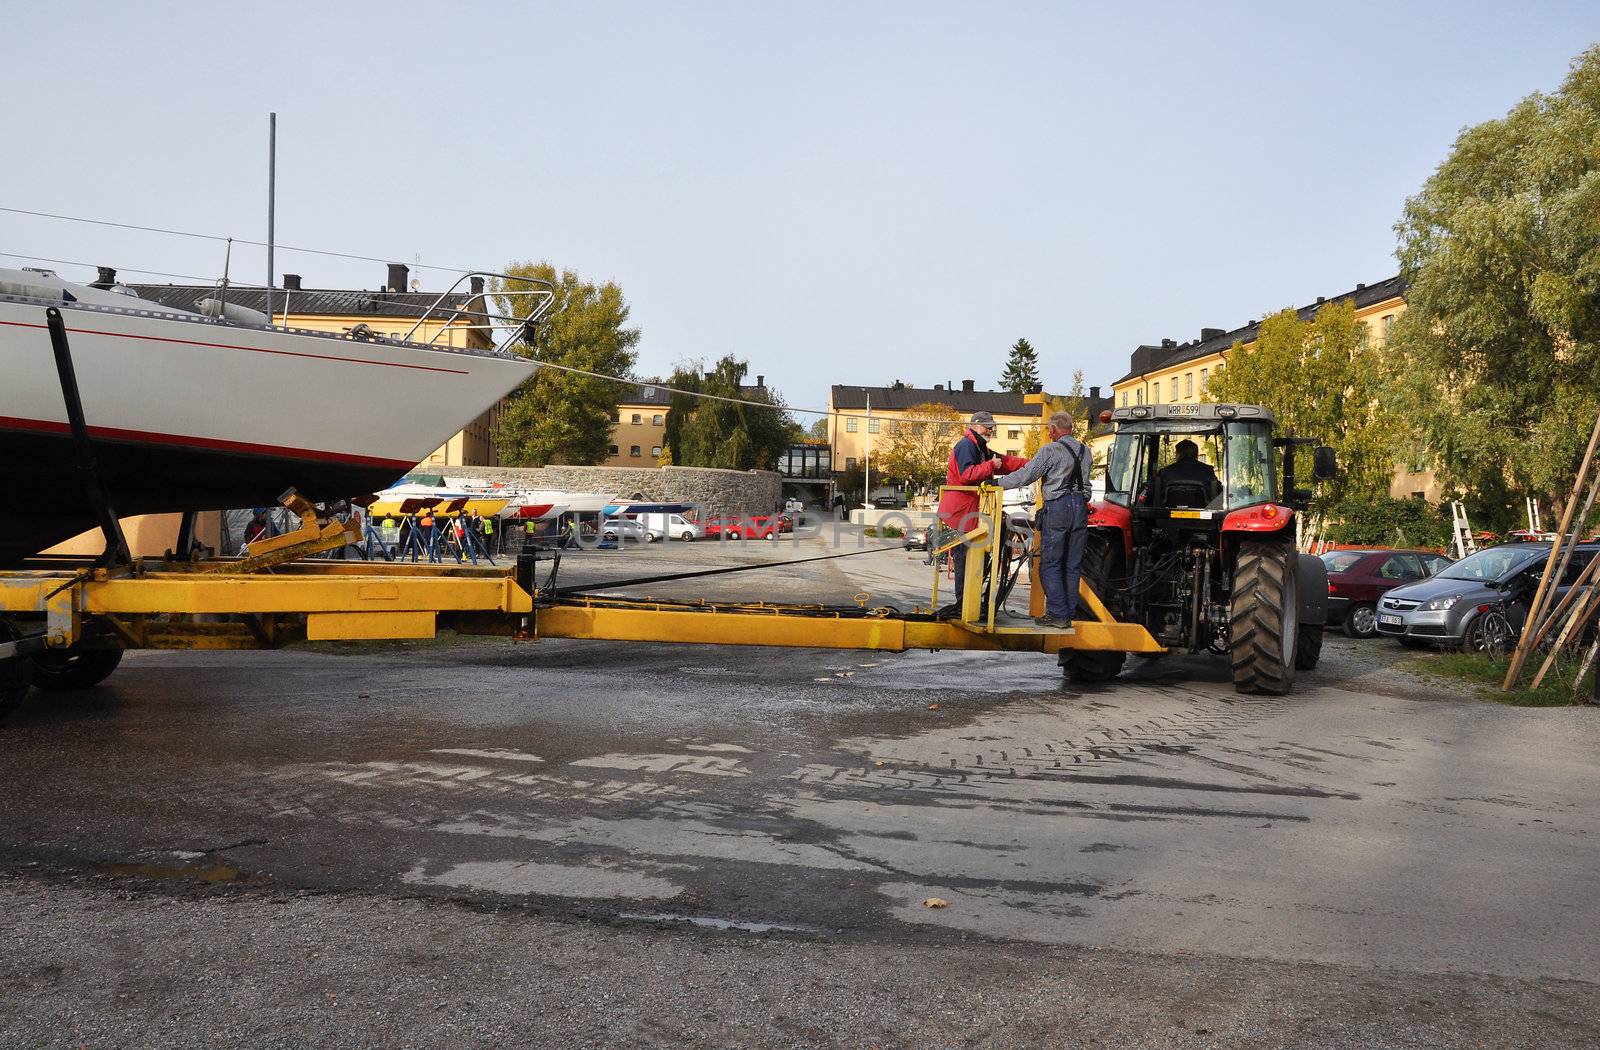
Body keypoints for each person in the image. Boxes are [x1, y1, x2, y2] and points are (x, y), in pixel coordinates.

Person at [997, 410, 1093, 631]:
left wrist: (997, 483)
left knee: (1050, 564)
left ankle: (1057, 614)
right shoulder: (1085, 451)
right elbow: (1086, 486)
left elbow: (1026, 475)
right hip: (1079, 508)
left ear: (1053, 429)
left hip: (1058, 507)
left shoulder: (1051, 450)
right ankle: (1067, 613)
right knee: (1072, 564)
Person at [936, 411, 1028, 616]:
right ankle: (964, 605)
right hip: (961, 513)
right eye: (988, 427)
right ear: (976, 426)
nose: (991, 430)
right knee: (964, 559)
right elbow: (967, 474)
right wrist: (990, 466)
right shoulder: (966, 446)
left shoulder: (978, 446)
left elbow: (1003, 462)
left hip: (968, 513)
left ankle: (970, 603)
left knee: (975, 557)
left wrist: (1030, 463)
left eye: (992, 427)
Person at [1149, 439, 1222, 508]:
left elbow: (1152, 495)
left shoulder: (1164, 472)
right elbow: (1218, 494)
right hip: (1204, 518)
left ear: (1178, 454)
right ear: (1197, 455)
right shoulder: (1208, 470)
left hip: (1165, 518)